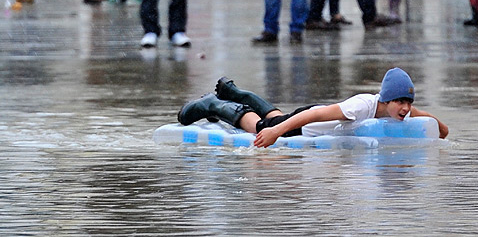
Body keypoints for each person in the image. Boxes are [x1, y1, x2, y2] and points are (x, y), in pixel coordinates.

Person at [177, 67, 449, 148]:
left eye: (408, 103)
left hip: (312, 117)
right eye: (400, 102)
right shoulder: (362, 106)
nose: (405, 109)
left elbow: (434, 124)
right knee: (261, 126)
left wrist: (436, 124)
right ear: (387, 99)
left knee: (279, 116)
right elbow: (315, 115)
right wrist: (274, 134)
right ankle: (213, 104)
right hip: (307, 126)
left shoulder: (398, 110)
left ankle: (235, 92)